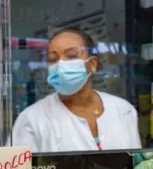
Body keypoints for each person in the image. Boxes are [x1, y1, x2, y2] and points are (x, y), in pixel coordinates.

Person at [11, 28, 141, 152]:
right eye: (53, 59)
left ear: (92, 64)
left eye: (71, 55)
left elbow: (136, 167)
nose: (61, 65)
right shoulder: (32, 120)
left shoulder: (123, 110)